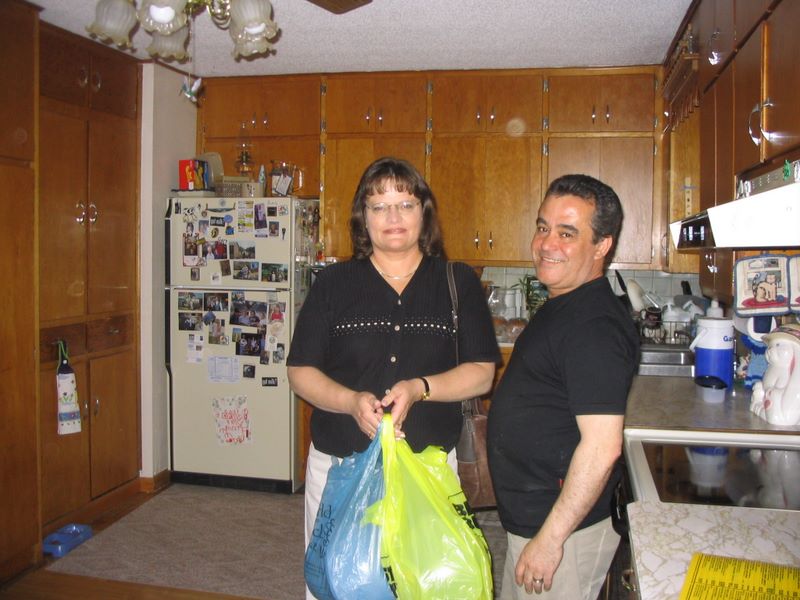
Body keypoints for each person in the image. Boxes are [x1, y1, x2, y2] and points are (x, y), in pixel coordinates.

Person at [287, 156, 500, 599]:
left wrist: (419, 388)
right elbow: (300, 370)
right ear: (363, 217)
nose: (393, 217)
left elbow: (481, 373)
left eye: (404, 203)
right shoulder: (333, 284)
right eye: (379, 206)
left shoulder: (457, 281)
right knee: (337, 583)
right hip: (341, 468)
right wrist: (349, 401)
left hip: (429, 469)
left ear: (424, 211)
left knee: (428, 584)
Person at [487, 174, 639, 600]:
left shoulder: (595, 327)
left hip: (563, 533)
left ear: (602, 245)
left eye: (567, 233)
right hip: (537, 520)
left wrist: (550, 541)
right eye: (543, 227)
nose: (547, 243)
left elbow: (601, 446)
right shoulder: (565, 302)